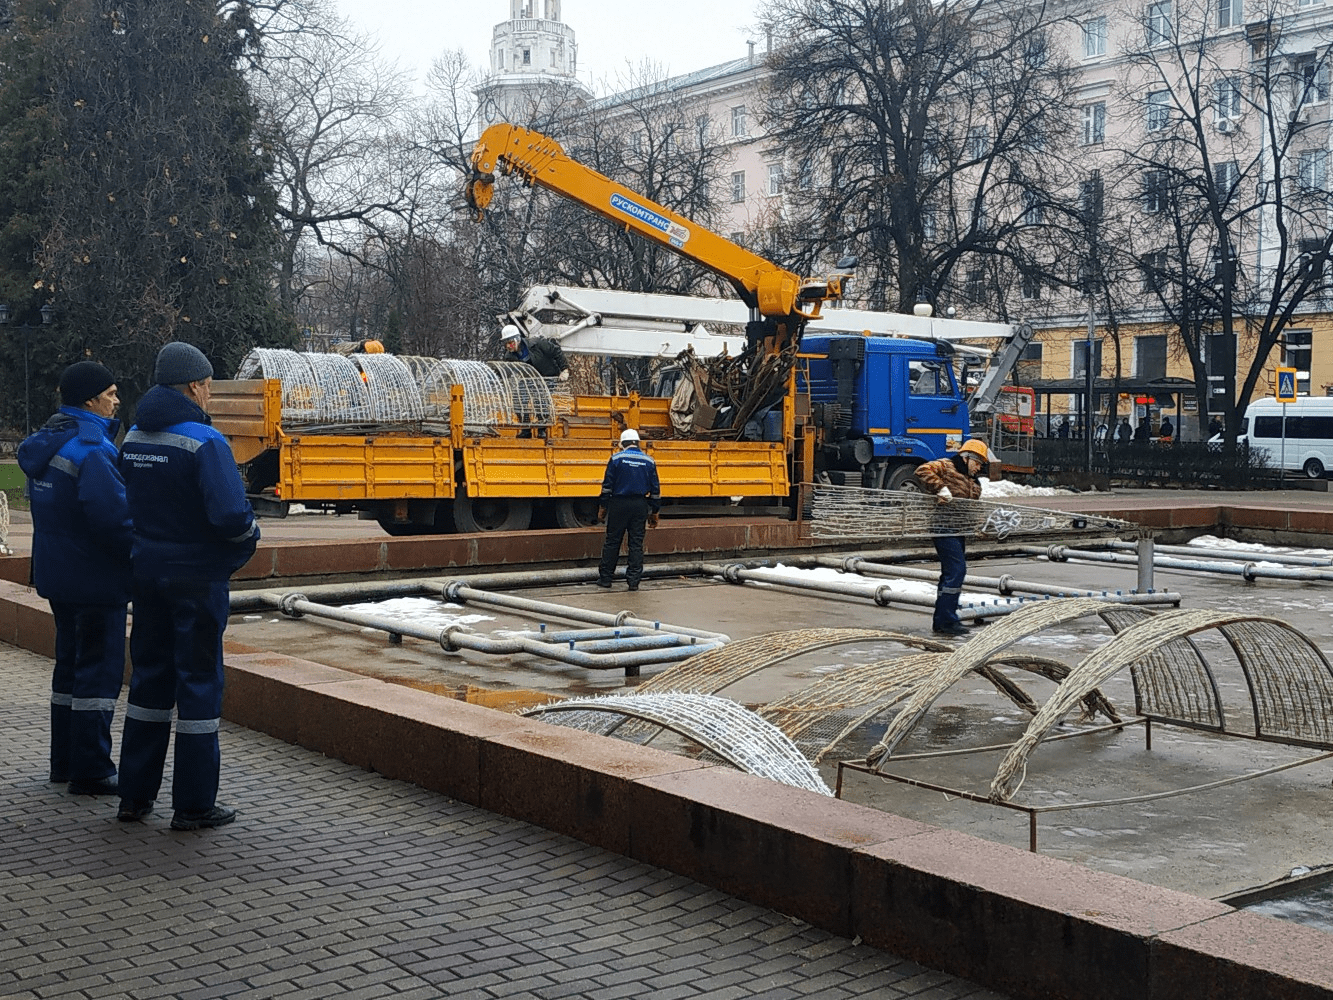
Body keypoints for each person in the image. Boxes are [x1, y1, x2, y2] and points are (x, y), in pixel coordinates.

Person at [116, 342, 260, 831]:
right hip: (197, 579)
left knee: (148, 683)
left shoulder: (133, 436)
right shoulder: (205, 441)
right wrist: (247, 541)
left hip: (147, 574)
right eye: (209, 385)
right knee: (198, 688)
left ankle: (134, 797)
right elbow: (230, 516)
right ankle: (194, 804)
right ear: (196, 386)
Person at [16, 362, 132, 796]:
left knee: (68, 669)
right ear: (90, 400)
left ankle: (63, 762)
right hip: (95, 580)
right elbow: (114, 522)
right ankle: (92, 770)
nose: (116, 401)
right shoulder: (93, 451)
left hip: (57, 575)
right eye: (111, 393)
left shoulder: (44, 445)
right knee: (97, 677)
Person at [915, 438, 989, 637]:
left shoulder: (974, 483)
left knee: (951, 573)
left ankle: (942, 620)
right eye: (978, 462)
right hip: (943, 528)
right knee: (956, 571)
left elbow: (971, 508)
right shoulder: (947, 467)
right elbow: (923, 470)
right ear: (967, 458)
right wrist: (941, 488)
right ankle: (947, 620)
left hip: (958, 530)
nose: (979, 468)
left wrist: (978, 526)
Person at [596, 428, 661, 591]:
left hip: (618, 504)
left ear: (622, 444)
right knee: (636, 544)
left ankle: (605, 579)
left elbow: (607, 487)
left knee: (612, 541)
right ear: (638, 443)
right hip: (640, 505)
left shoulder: (616, 459)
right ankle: (633, 582)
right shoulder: (649, 461)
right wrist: (655, 512)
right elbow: (655, 490)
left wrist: (603, 507)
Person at [500, 323, 569, 381]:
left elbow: (556, 351)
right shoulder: (509, 357)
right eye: (505, 343)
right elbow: (509, 371)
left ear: (518, 339)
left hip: (551, 378)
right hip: (531, 383)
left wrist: (564, 370)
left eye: (510, 342)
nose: (508, 346)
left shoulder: (537, 343)